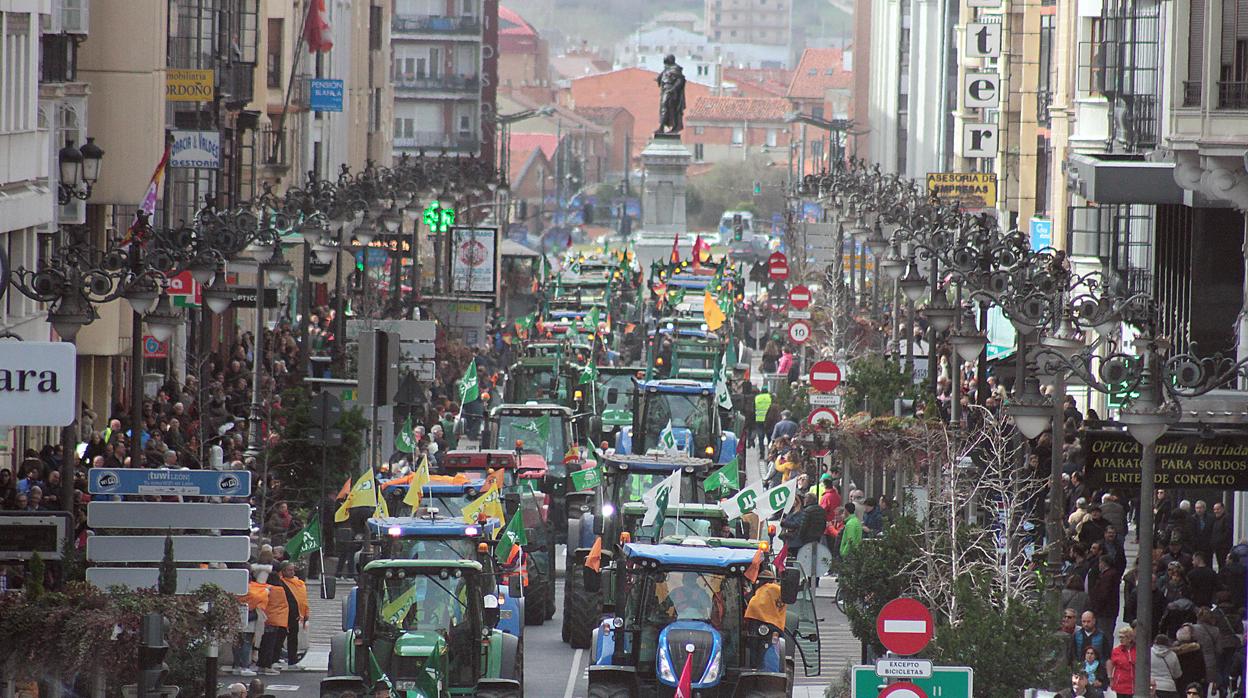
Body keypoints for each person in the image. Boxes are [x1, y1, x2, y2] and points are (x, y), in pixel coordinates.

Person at [258, 561, 310, 674]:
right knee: (278, 639)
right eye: (289, 570)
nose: (292, 572)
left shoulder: (298, 583)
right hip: (284, 615)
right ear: (283, 571)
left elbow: (302, 599)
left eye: (293, 570)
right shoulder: (281, 583)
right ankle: (274, 660)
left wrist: (305, 613)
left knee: (292, 638)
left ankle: (292, 660)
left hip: (295, 615)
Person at [744, 567, 785, 670]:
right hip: (773, 628)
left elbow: (753, 605)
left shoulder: (764, 592)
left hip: (758, 629)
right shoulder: (778, 590)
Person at [234, 570, 269, 676]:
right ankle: (245, 666)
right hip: (250, 618)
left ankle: (236, 666)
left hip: (236, 617)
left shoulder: (235, 589)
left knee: (237, 643)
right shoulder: (255, 591)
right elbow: (260, 598)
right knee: (247, 643)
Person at [1150, 634, 1183, 698]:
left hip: (1152, 687)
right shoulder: (1173, 655)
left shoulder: (1148, 652)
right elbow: (1178, 674)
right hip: (1169, 688)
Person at [1108, 627, 1136, 698]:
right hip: (1121, 684)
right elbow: (1111, 664)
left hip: (1133, 684)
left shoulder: (1137, 650)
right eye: (1119, 637)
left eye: (1122, 637)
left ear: (1129, 638)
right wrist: (1110, 679)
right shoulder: (1116, 651)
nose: (1120, 639)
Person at [753, 386, 772, 457]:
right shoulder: (770, 397)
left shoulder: (757, 398)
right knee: (769, 437)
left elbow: (753, 408)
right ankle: (770, 453)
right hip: (768, 420)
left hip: (759, 419)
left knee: (761, 437)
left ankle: (762, 453)